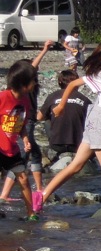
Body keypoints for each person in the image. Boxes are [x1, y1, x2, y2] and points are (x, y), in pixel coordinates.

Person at [33, 38, 101, 214]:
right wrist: (61, 105)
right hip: (98, 120)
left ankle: (41, 197)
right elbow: (72, 84)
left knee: (76, 165)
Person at [0, 40, 55, 202]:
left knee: (31, 155)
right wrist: (44, 50)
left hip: (25, 122)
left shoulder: (27, 90)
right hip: (24, 121)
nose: (36, 80)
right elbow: (34, 67)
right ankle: (8, 193)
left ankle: (37, 191)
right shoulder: (18, 90)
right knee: (25, 156)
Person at [0, 60, 41, 220]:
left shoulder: (24, 101)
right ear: (23, 84)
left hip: (12, 149)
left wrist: (25, 139)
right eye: (33, 80)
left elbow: (21, 124)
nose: (35, 83)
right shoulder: (3, 97)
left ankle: (31, 213)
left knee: (23, 179)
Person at [38, 69, 91, 167]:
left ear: (59, 82)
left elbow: (39, 117)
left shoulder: (52, 96)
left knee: (46, 121)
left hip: (57, 145)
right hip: (78, 146)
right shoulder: (85, 99)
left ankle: (54, 148)